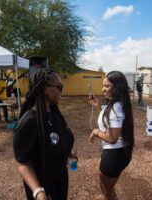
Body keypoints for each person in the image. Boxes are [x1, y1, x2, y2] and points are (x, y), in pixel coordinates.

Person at [13, 69, 75, 200]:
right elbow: (24, 164)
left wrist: (66, 151)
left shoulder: (54, 113)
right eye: (59, 87)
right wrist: (38, 192)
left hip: (60, 179)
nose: (61, 91)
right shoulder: (28, 122)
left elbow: (56, 138)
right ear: (45, 89)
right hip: (43, 186)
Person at [89, 71, 134, 200]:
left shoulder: (116, 108)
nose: (103, 89)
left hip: (115, 154)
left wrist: (95, 132)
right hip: (116, 152)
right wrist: (98, 107)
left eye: (107, 86)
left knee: (107, 193)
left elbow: (112, 138)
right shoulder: (116, 104)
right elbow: (108, 120)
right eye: (103, 86)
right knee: (105, 185)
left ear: (117, 88)